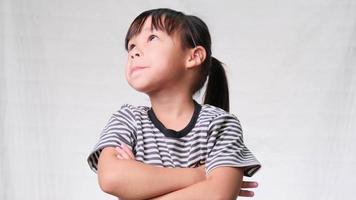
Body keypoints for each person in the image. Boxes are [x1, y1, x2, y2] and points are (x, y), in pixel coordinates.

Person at [87, 8, 261, 200]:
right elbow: (111, 178)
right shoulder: (128, 119)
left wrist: (140, 184)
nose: (134, 52)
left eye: (152, 38)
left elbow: (218, 195)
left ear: (193, 56)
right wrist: (200, 175)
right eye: (131, 45)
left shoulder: (221, 124)